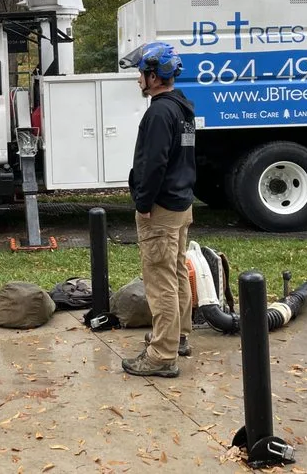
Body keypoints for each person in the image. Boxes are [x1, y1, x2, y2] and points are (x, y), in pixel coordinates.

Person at [120, 42, 197, 378]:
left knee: (159, 279)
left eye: (142, 72)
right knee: (177, 271)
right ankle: (176, 336)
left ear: (154, 76)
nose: (139, 78)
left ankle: (162, 356)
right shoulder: (183, 109)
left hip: (161, 209)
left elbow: (154, 164)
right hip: (181, 204)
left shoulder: (158, 113)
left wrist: (143, 202)